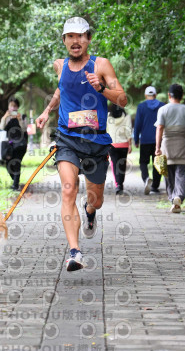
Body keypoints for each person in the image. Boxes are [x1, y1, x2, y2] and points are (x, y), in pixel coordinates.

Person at [35, 17, 128, 271]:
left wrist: (101, 90)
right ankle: (74, 252)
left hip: (96, 140)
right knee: (68, 190)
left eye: (80, 36)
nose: (76, 41)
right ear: (64, 41)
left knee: (95, 199)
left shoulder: (101, 65)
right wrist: (46, 111)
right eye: (70, 36)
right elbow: (61, 90)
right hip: (67, 138)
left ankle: (90, 211)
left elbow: (122, 99)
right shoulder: (59, 65)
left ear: (88, 39)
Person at [154, 84, 185, 213]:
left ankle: (173, 199)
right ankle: (178, 197)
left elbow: (159, 128)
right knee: (182, 173)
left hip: (167, 145)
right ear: (182, 96)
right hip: (183, 145)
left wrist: (157, 147)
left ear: (169, 95)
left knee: (168, 175)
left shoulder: (163, 110)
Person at [134, 86, 166, 195]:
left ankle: (146, 179)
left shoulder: (141, 107)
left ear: (145, 95)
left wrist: (136, 139)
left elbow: (137, 124)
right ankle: (155, 186)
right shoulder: (162, 106)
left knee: (143, 162)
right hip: (159, 140)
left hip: (145, 139)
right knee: (158, 163)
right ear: (155, 95)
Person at [0, 97, 28, 191]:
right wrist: (4, 117)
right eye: (11, 106)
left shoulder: (23, 117)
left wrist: (19, 119)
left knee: (16, 162)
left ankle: (15, 185)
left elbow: (24, 129)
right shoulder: (7, 118)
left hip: (21, 145)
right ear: (8, 107)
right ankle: (15, 181)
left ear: (18, 107)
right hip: (10, 145)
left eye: (15, 106)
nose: (13, 108)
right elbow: (1, 127)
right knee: (8, 163)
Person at [107, 103, 132, 195]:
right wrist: (130, 144)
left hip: (112, 144)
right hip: (124, 144)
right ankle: (120, 184)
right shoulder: (126, 116)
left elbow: (106, 130)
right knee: (122, 165)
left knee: (114, 164)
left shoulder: (108, 116)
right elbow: (128, 131)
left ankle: (117, 184)